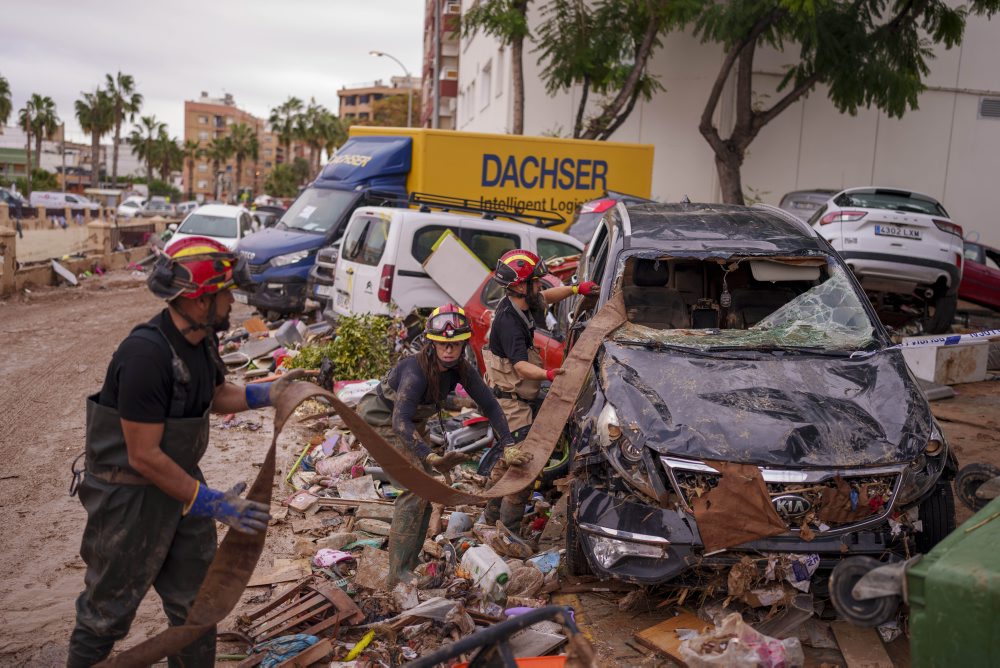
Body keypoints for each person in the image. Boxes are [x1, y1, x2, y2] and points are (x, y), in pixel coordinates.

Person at [67, 236, 298, 668]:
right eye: (224, 293)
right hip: (128, 500)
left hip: (180, 487)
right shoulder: (145, 355)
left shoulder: (201, 339)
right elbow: (143, 455)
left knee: (198, 608)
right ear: (197, 301)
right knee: (106, 615)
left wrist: (270, 393)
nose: (232, 301)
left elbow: (215, 394)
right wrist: (209, 503)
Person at [356, 304, 516, 588]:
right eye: (443, 344)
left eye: (455, 344)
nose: (449, 350)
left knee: (426, 488)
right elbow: (400, 421)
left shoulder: (461, 369)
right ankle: (397, 573)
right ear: (431, 341)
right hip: (381, 420)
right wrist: (428, 455)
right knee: (415, 489)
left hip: (409, 423)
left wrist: (509, 443)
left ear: (464, 343)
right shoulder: (415, 371)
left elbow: (489, 403)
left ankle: (411, 560)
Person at [481, 250, 597, 532]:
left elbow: (547, 297)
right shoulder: (508, 322)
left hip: (519, 395)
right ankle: (506, 533)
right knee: (523, 467)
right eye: (536, 281)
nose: (540, 286)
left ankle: (488, 519)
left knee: (505, 458)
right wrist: (549, 375)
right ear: (521, 286)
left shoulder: (524, 304)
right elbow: (521, 367)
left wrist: (575, 289)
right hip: (510, 403)